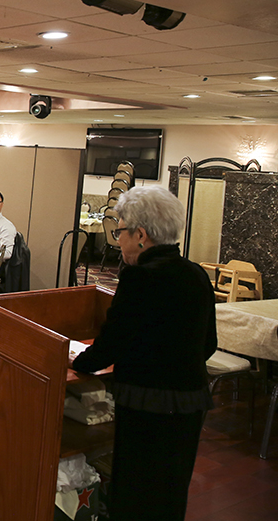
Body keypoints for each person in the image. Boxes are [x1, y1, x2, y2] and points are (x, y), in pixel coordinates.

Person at [70, 186, 215, 521]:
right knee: (172, 489)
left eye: (119, 231)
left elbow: (112, 344)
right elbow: (208, 344)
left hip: (149, 401)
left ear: (141, 235)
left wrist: (78, 360)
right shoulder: (196, 274)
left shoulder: (139, 277)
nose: (118, 240)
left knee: (136, 489)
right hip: (190, 400)